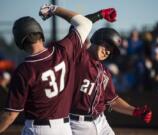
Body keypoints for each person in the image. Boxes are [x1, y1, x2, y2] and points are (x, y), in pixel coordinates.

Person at [0, 3, 93, 135]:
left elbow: (10, 115)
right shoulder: (63, 50)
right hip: (65, 128)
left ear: (19, 41)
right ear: (40, 33)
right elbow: (85, 23)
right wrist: (53, 9)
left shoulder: (24, 70)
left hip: (38, 129)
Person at [69, 27, 152, 135]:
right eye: (106, 46)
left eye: (110, 51)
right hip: (78, 124)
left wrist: (135, 111)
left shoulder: (105, 72)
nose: (107, 52)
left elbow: (112, 100)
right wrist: (99, 15)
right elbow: (79, 26)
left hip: (101, 121)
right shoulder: (81, 58)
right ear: (97, 39)